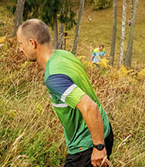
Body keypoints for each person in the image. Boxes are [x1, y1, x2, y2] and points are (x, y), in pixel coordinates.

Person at [16, 19, 113, 167]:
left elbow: (89, 107)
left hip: (86, 145)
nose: (20, 49)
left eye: (21, 44)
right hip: (104, 130)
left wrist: (99, 148)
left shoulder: (53, 77)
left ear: (32, 43)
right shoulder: (64, 55)